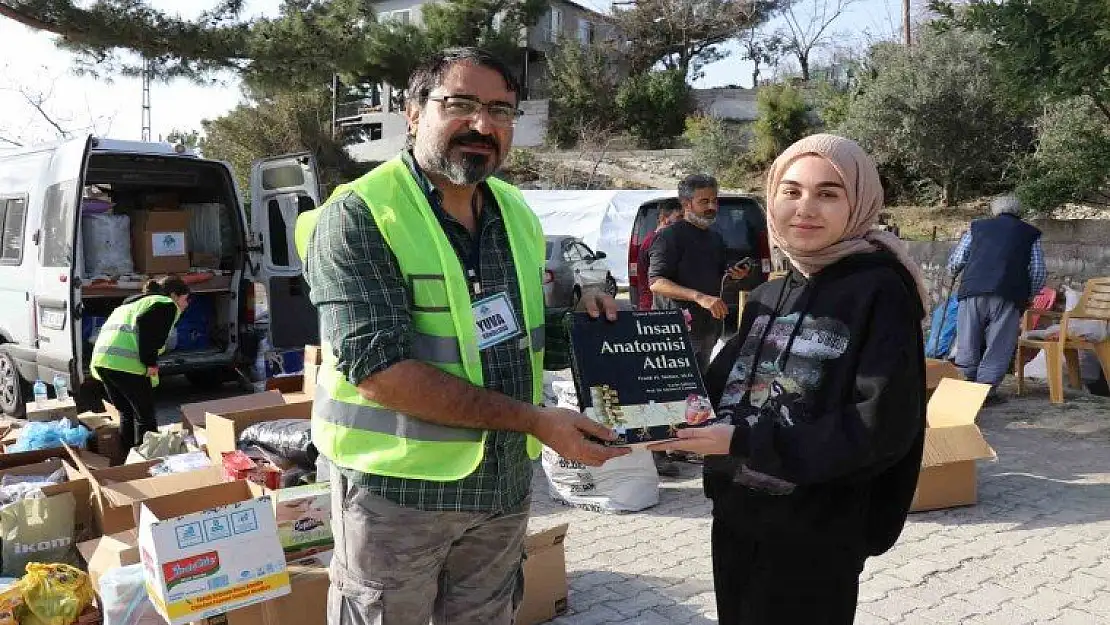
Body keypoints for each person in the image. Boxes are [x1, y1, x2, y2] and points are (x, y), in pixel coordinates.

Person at [296, 47, 627, 625]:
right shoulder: (359, 215)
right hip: (397, 497)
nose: (484, 124)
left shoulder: (514, 212)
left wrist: (584, 325)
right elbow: (377, 370)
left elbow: (514, 337)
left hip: (500, 491)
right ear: (413, 112)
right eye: (462, 104)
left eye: (501, 110)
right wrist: (536, 421)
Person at [652, 134, 928, 625]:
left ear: (858, 203)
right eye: (792, 190)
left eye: (828, 193)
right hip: (738, 518)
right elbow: (716, 389)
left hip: (816, 532)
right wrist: (627, 359)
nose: (806, 208)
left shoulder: (880, 291)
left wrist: (741, 440)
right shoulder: (768, 294)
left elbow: (880, 426)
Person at [947, 194, 1046, 401]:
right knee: (999, 344)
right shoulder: (1030, 233)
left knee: (967, 339)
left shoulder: (977, 227)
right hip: (1009, 293)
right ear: (1019, 212)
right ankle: (985, 392)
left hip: (973, 288)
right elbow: (1037, 271)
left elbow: (957, 260)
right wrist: (1030, 295)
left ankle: (965, 385)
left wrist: (952, 274)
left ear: (995, 210)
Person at [648, 174, 747, 373]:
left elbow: (716, 276)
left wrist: (734, 274)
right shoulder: (669, 237)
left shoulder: (715, 238)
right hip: (675, 331)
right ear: (686, 204)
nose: (711, 206)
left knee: (700, 389)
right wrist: (699, 297)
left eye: (714, 201)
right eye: (704, 201)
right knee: (677, 389)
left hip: (709, 328)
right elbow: (656, 282)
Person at [91, 276, 191, 453]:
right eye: (185, 299)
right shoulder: (166, 304)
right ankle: (149, 460)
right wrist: (150, 362)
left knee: (127, 413)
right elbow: (147, 330)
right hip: (126, 365)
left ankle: (128, 459)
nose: (186, 304)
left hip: (103, 361)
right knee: (145, 417)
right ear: (174, 295)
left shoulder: (131, 303)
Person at [636, 203, 682, 311]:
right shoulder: (658, 240)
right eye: (679, 217)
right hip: (655, 306)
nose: (683, 222)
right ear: (663, 218)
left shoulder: (668, 240)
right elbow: (654, 281)